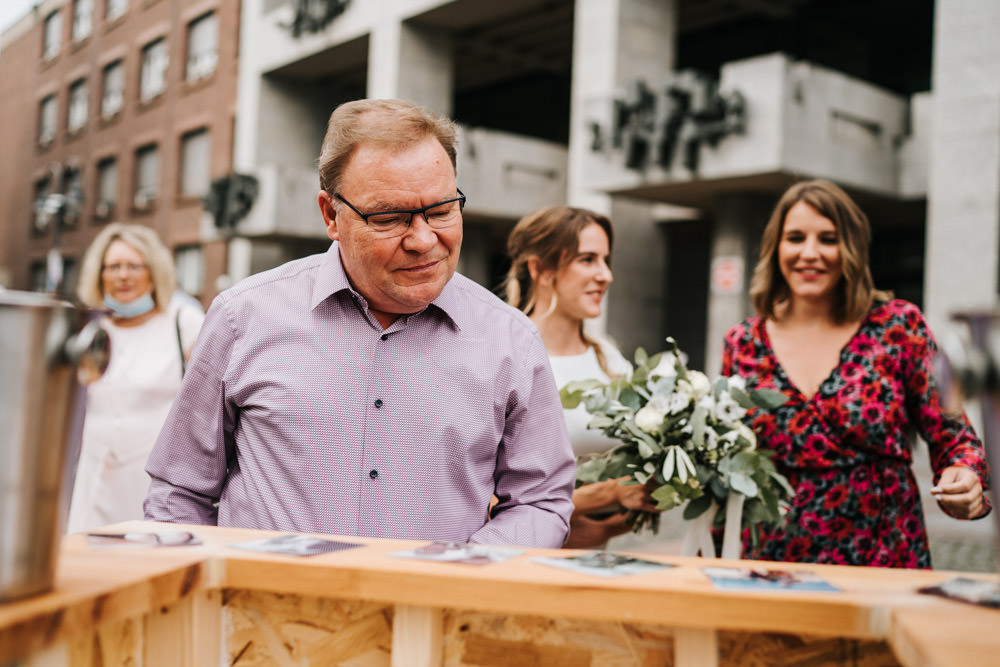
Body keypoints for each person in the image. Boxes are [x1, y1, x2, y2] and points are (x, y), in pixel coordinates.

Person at [144, 99, 576, 547]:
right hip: (263, 614)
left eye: (443, 210)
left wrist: (459, 580)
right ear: (331, 215)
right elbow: (179, 492)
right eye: (389, 217)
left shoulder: (511, 339)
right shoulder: (242, 317)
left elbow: (539, 502)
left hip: (435, 613)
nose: (424, 240)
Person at [721, 179, 991, 568]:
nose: (809, 253)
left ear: (851, 248)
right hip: (772, 564)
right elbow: (729, 460)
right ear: (775, 247)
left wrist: (965, 476)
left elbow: (954, 438)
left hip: (883, 557)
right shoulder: (742, 342)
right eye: (795, 238)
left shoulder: (899, 327)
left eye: (828, 239)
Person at [505, 205, 659, 548]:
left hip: (601, 559)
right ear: (541, 270)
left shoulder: (609, 359)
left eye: (606, 260)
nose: (606, 275)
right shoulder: (507, 356)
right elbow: (482, 495)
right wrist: (607, 495)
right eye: (588, 259)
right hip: (524, 558)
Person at [67, 223, 205, 532]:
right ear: (99, 274)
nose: (123, 275)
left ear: (154, 271)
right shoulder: (88, 330)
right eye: (113, 266)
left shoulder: (184, 323)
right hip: (93, 477)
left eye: (133, 265)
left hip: (154, 480)